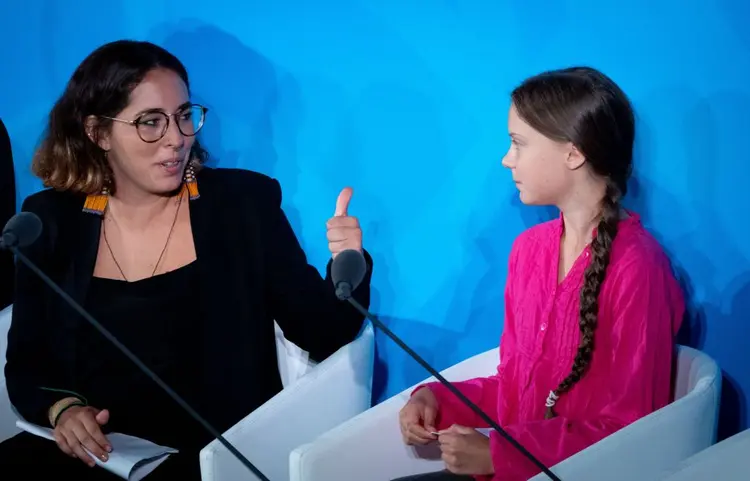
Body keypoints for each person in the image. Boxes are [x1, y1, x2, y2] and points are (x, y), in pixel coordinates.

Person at [0, 40, 372, 480]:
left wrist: (349, 261)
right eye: (150, 123)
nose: (177, 138)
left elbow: (323, 332)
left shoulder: (242, 206)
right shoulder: (51, 221)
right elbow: (27, 364)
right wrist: (64, 410)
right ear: (99, 134)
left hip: (209, 458)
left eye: (183, 116)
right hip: (97, 454)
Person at [395, 67, 684, 481]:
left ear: (573, 152)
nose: (506, 159)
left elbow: (632, 435)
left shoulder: (639, 268)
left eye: (518, 143)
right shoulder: (528, 251)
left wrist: (500, 455)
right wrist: (436, 400)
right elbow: (516, 390)